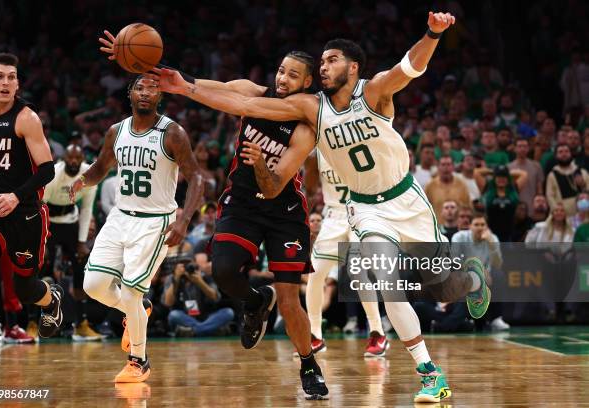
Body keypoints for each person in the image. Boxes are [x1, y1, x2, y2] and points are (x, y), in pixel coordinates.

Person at [153, 12, 492, 403]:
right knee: (389, 286)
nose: (325, 65)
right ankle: (429, 373)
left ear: (353, 67)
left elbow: (411, 66)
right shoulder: (312, 109)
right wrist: (185, 88)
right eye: (323, 61)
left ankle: (470, 279)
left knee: (444, 284)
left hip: (406, 199)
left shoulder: (376, 91)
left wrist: (433, 33)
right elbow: (245, 102)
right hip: (365, 209)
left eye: (332, 60)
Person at [99, 31, 330, 399]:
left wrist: (259, 167)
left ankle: (308, 364)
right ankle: (255, 302)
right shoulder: (254, 92)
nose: (282, 79)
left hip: (282, 209)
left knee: (290, 298)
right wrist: (163, 75)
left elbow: (272, 186)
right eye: (280, 71)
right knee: (222, 271)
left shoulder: (305, 126)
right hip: (241, 204)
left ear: (307, 82)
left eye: (292, 75)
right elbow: (211, 86)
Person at [69, 76, 204, 383]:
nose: (146, 92)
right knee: (94, 285)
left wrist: (183, 220)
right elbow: (102, 167)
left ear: (161, 95)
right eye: (140, 87)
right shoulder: (116, 131)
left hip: (155, 220)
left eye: (153, 88)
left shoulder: (172, 133)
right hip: (119, 217)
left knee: (131, 288)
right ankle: (137, 312)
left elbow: (196, 177)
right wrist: (83, 181)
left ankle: (138, 361)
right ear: (129, 93)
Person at [0, 53, 63, 339]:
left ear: (17, 85)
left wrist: (15, 196)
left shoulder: (27, 118)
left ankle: (52, 301)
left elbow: (48, 170)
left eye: (11, 77)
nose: (5, 82)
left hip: (25, 213)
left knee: (26, 289)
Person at [304, 150, 388, 357]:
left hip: (362, 212)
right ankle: (315, 335)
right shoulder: (319, 147)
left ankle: (377, 332)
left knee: (358, 272)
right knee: (315, 274)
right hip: (333, 215)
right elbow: (312, 186)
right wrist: (309, 163)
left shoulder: (359, 141)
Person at [43, 145, 100, 340]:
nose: (74, 161)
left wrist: (82, 241)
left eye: (78, 157)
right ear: (64, 159)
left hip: (70, 223)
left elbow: (86, 209)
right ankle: (35, 323)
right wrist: (41, 239)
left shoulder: (89, 174)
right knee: (44, 271)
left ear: (83, 157)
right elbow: (40, 206)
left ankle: (82, 324)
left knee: (79, 270)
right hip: (49, 223)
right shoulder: (54, 174)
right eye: (70, 158)